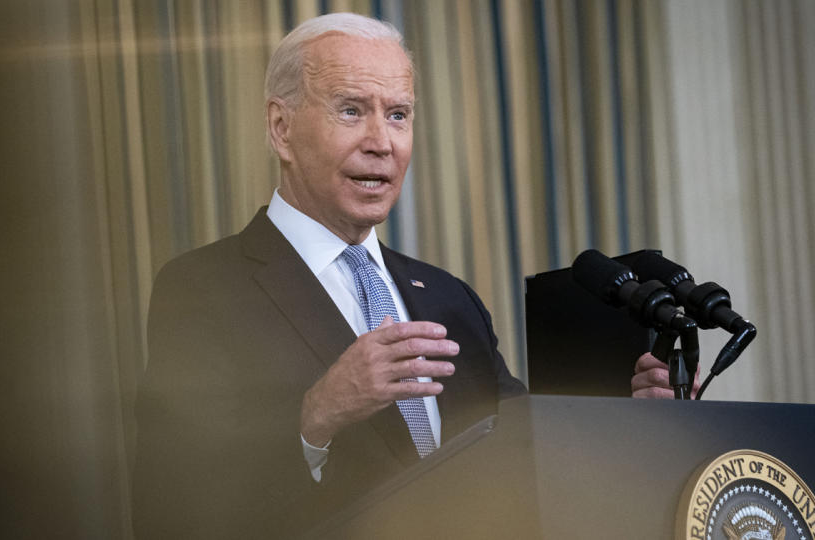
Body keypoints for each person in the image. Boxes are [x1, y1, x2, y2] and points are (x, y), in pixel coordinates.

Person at [132, 12, 691, 538]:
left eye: (397, 114)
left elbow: (527, 457)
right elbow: (176, 499)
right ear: (281, 129)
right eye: (351, 110)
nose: (382, 142)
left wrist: (623, 427)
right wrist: (317, 414)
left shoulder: (450, 298)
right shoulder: (204, 289)